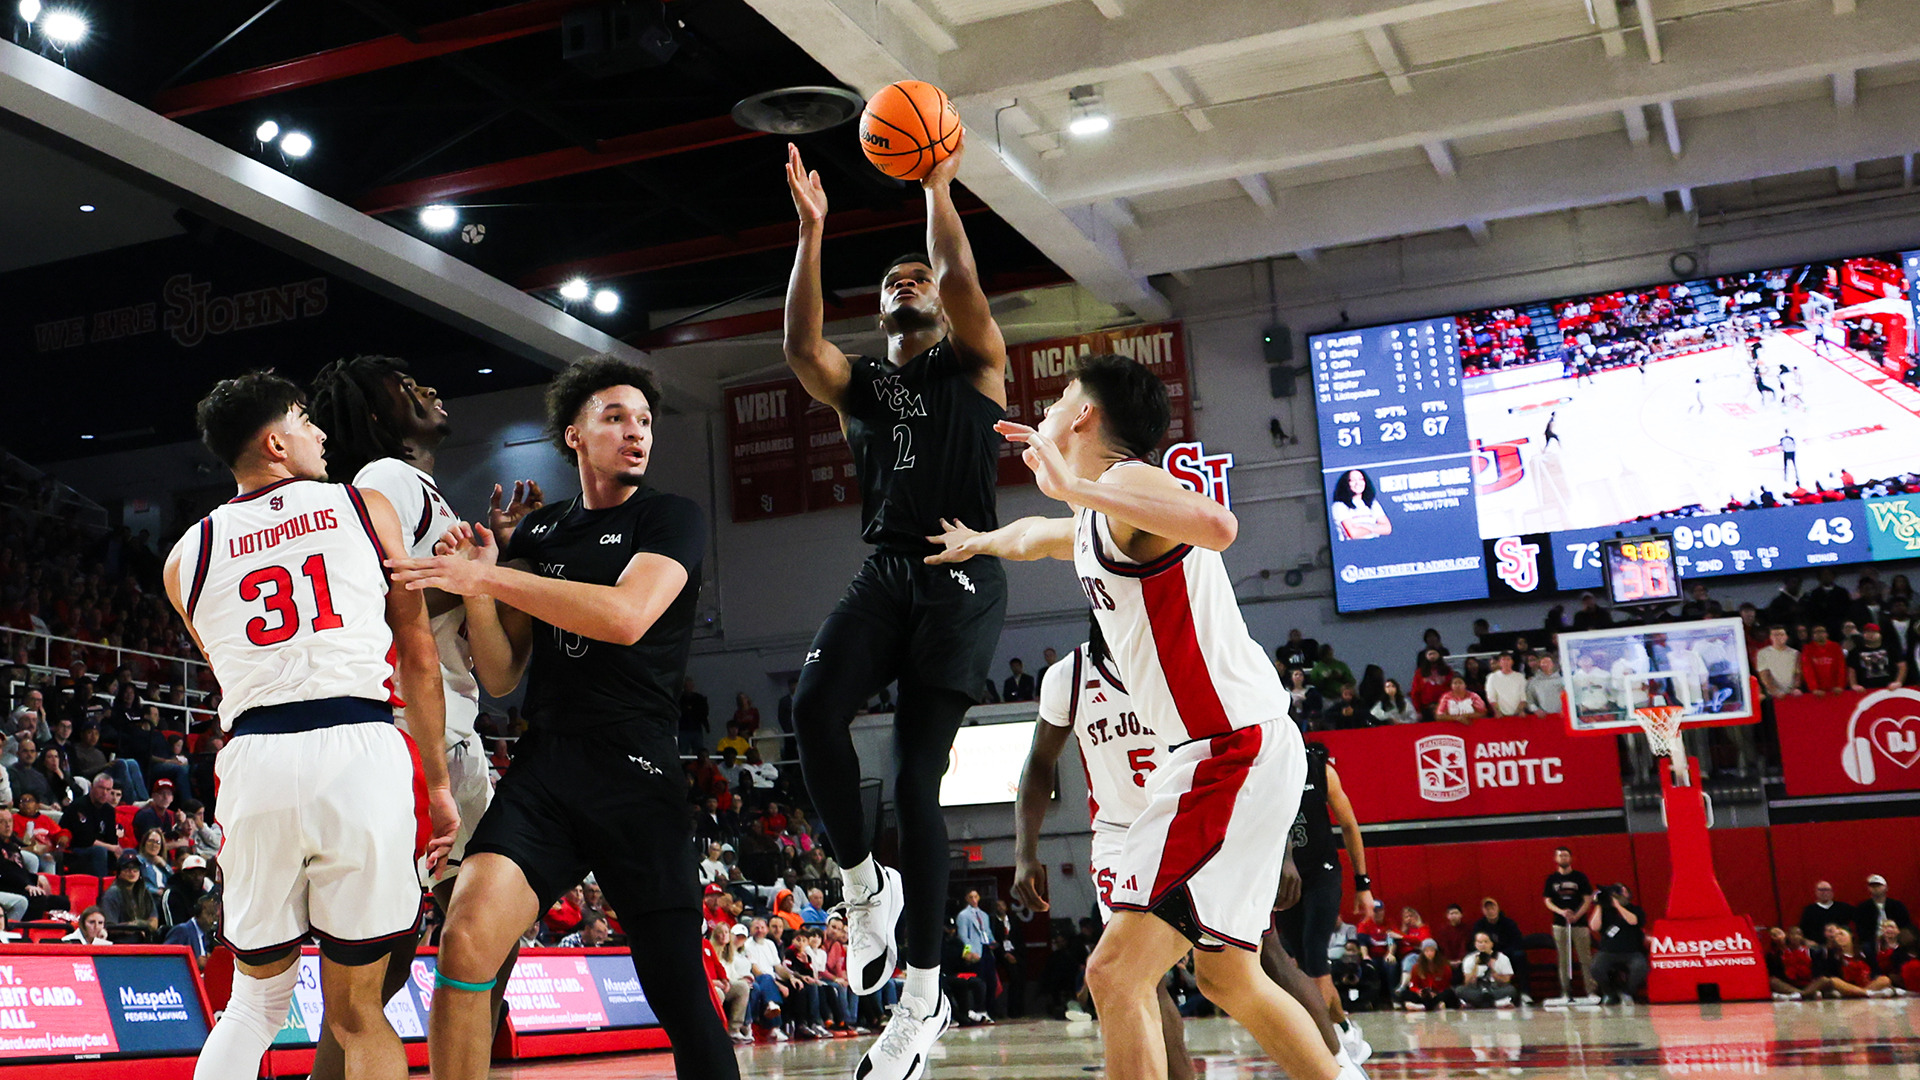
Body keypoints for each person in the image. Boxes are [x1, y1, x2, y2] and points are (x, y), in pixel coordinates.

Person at [930, 353, 1351, 1080]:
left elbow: (1217, 523)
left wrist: (1078, 484)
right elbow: (1036, 537)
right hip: (1242, 747)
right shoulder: (1104, 516)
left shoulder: (1126, 485)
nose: (1053, 407)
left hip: (1228, 748)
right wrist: (980, 542)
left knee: (1115, 972)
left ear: (1087, 415)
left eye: (1063, 396)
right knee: (1228, 978)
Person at [392, 357, 738, 1080]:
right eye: (615, 418)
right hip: (548, 769)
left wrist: (489, 575)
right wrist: (489, 587)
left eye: (643, 421)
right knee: (464, 943)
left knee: (681, 997)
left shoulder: (670, 517)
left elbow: (626, 616)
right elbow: (501, 673)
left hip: (636, 775)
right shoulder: (541, 532)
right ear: (574, 434)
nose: (635, 433)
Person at [782, 134, 1015, 1079]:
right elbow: (800, 346)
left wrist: (938, 185)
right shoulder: (863, 387)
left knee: (916, 785)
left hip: (963, 571)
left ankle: (922, 1002)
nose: (910, 280)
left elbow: (957, 269)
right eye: (894, 278)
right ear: (879, 308)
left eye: (917, 275)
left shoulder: (974, 361)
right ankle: (857, 884)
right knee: (809, 709)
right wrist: (813, 231)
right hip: (887, 570)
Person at [165, 371, 456, 1080]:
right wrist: (440, 783)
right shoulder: (366, 506)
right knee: (358, 1012)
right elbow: (417, 657)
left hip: (257, 757)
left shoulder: (184, 557)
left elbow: (231, 668)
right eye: (304, 419)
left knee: (252, 1003)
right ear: (274, 441)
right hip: (357, 750)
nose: (320, 431)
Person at [309, 352, 514, 1071]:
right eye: (405, 385)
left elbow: (460, 624)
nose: (427, 386)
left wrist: (492, 559)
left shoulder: (421, 488)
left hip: (451, 740)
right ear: (373, 416)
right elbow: (389, 615)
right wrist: (474, 578)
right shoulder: (382, 479)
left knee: (488, 935)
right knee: (383, 973)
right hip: (407, 741)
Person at [1542, 847, 1598, 1005]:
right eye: (1560, 855)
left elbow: (1587, 899)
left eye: (1566, 855)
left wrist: (1576, 915)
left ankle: (1591, 991)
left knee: (1585, 958)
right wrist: (1562, 912)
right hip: (1559, 925)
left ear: (1570, 858)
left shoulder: (1580, 877)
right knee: (1563, 959)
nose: (1563, 858)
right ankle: (1566, 992)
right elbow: (1547, 901)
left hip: (1579, 924)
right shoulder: (1551, 879)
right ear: (1555, 858)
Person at [1587, 884, 1647, 1004]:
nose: (1618, 895)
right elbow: (1594, 926)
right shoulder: (1606, 911)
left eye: (1622, 892)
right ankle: (1610, 993)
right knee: (1596, 968)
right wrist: (1599, 905)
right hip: (1608, 952)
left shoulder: (1636, 909)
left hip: (1632, 952)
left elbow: (1633, 921)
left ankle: (1627, 992)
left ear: (1628, 895)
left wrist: (1618, 906)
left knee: (1640, 967)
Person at [1472, 899, 1529, 1000]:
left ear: (1498, 908)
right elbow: (1475, 943)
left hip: (1507, 954)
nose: (1490, 911)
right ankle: (1481, 993)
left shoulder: (1508, 923)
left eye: (1492, 908)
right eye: (1487, 909)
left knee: (1520, 956)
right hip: (1487, 954)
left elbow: (1517, 942)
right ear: (1483, 911)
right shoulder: (1479, 925)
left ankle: (1525, 993)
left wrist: (1498, 956)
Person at [100, 852, 160, 938]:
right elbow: (110, 927)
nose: (131, 872)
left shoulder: (144, 893)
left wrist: (138, 924)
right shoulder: (112, 893)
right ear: (119, 873)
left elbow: (154, 923)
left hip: (142, 942)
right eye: (126, 869)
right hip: (120, 943)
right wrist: (136, 926)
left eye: (135, 869)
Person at [1456, 932, 1520, 1008]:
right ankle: (1494, 1003)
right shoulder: (1469, 959)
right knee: (1459, 990)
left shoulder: (1502, 957)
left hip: (1495, 988)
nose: (1483, 945)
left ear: (1491, 944)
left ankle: (1480, 1004)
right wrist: (1475, 966)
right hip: (1478, 989)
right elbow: (1467, 982)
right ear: (1475, 944)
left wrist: (1492, 969)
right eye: (1479, 942)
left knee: (1511, 989)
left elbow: (1506, 980)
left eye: (1486, 942)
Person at [1766, 925, 1828, 1000]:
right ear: (1788, 936)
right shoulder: (1780, 953)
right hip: (1790, 985)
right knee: (1772, 981)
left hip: (1809, 983)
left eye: (1798, 934)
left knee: (1824, 980)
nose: (1795, 936)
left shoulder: (1811, 951)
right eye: (1792, 934)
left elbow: (1818, 970)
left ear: (1802, 936)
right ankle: (1804, 994)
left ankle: (1798, 995)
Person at [1329, 470, 1391, 539]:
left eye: (1361, 479)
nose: (1358, 483)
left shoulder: (1372, 503)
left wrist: (1362, 525)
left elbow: (1387, 529)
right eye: (1352, 480)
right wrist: (1376, 527)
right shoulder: (1339, 505)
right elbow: (1353, 534)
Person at [164, 893, 221, 967]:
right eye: (209, 914)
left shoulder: (206, 936)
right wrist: (193, 964)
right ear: (198, 912)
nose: (212, 920)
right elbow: (165, 958)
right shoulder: (182, 930)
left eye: (214, 916)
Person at [1855, 874, 1912, 946]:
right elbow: (1861, 930)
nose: (1875, 888)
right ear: (1868, 888)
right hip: (1873, 942)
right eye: (1872, 886)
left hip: (1897, 939)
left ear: (1886, 888)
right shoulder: (1863, 908)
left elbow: (1906, 925)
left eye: (1879, 886)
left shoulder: (1897, 906)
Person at [1397, 939, 1454, 1011]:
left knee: (1449, 994)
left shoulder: (1445, 967)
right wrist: (1418, 991)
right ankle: (1428, 1006)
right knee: (1404, 994)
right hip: (1423, 994)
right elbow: (1413, 985)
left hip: (1437, 994)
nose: (1429, 953)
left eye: (1431, 950)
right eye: (1426, 951)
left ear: (1436, 951)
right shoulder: (1416, 967)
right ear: (1423, 952)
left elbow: (1447, 985)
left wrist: (1436, 993)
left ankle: (1424, 1006)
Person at [1849, 624, 1906, 689]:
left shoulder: (1891, 649)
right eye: (1867, 632)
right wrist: (1854, 685)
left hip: (1889, 687)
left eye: (1874, 632)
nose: (1871, 634)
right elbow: (1851, 670)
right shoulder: (1855, 651)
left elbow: (1902, 666)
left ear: (1880, 634)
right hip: (1866, 688)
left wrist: (1898, 682)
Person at [1799, 624, 1847, 695]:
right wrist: (1814, 688)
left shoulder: (1835, 647)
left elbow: (1841, 667)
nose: (1819, 634)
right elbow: (1807, 670)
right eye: (1816, 632)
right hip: (1817, 692)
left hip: (1835, 690)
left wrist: (1840, 685)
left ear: (1826, 634)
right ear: (1812, 635)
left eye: (1821, 631)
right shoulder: (1807, 649)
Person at [1754, 626, 1801, 697]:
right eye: (1775, 635)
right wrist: (1775, 691)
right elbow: (1764, 674)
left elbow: (1798, 673)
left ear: (1786, 637)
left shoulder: (1795, 653)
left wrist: (1795, 688)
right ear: (1770, 637)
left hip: (1792, 694)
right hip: (1772, 695)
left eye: (1781, 634)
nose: (1779, 637)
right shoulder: (1763, 653)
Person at [1483, 653, 1527, 718]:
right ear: (1499, 663)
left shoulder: (1520, 677)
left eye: (1508, 659)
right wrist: (1497, 711)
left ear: (1512, 662)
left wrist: (1520, 710)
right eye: (1503, 660)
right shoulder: (1492, 677)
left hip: (1518, 714)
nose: (1506, 662)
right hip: (1501, 715)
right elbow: (1491, 696)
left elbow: (1523, 696)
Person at [678, 679, 710, 756]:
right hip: (683, 729)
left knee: (699, 752)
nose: (688, 688)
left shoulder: (699, 699)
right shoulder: (680, 699)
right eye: (687, 686)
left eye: (690, 686)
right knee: (683, 752)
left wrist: (706, 726)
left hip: (696, 729)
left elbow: (704, 713)